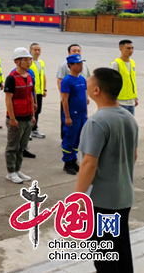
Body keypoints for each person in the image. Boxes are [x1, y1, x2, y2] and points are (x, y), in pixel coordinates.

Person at [75, 68, 139, 273]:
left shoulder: (96, 122)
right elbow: (134, 156)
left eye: (89, 80)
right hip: (124, 196)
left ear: (96, 90)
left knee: (104, 256)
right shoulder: (129, 118)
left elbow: (89, 164)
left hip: (102, 203)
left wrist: (78, 197)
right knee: (120, 248)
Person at [4, 47, 35, 185]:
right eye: (26, 59)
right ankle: (11, 172)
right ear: (17, 61)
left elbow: (30, 97)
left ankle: (18, 169)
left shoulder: (28, 77)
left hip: (27, 117)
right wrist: (12, 118)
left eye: (30, 59)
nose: (29, 62)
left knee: (22, 146)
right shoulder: (11, 78)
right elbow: (8, 99)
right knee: (13, 147)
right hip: (16, 118)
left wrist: (33, 115)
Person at [60, 54, 88, 175]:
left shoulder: (82, 79)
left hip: (81, 115)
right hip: (72, 115)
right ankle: (67, 162)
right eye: (78, 64)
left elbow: (84, 97)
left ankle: (73, 159)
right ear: (71, 65)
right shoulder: (67, 81)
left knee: (78, 139)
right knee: (69, 138)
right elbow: (64, 100)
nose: (81, 66)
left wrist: (85, 113)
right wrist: (67, 116)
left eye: (81, 63)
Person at [111, 39, 138, 115]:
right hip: (120, 102)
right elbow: (111, 83)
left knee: (130, 125)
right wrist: (113, 99)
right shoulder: (116, 64)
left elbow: (133, 81)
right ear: (120, 49)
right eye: (128, 48)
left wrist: (135, 97)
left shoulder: (132, 63)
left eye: (132, 48)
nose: (131, 50)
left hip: (131, 102)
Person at [27, 43, 47, 139]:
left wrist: (44, 89)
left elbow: (43, 76)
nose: (37, 52)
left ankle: (34, 129)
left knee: (37, 110)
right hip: (31, 91)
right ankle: (28, 130)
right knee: (31, 110)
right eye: (35, 50)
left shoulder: (41, 62)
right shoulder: (29, 63)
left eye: (39, 49)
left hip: (39, 91)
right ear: (30, 50)